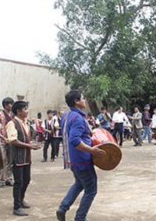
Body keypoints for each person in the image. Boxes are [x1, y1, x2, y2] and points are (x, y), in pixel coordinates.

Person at [56, 90, 106, 221]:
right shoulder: (77, 118)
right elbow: (74, 140)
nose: (84, 100)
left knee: (79, 183)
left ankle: (63, 208)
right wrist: (91, 150)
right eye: (82, 98)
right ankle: (80, 218)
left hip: (74, 159)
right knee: (91, 190)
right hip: (83, 160)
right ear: (76, 101)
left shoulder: (68, 115)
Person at [6, 101, 41, 216]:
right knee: (18, 182)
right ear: (18, 111)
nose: (27, 111)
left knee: (26, 180)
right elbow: (13, 140)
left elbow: (28, 136)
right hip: (17, 158)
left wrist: (32, 144)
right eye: (25, 109)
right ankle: (16, 206)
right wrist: (30, 146)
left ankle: (21, 199)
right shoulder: (12, 123)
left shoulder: (26, 123)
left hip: (26, 157)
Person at [0, 97, 15, 188]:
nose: (11, 106)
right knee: (2, 160)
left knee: (10, 160)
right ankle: (2, 179)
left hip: (12, 140)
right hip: (2, 140)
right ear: (6, 105)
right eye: (10, 104)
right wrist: (3, 137)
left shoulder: (14, 115)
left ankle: (9, 178)